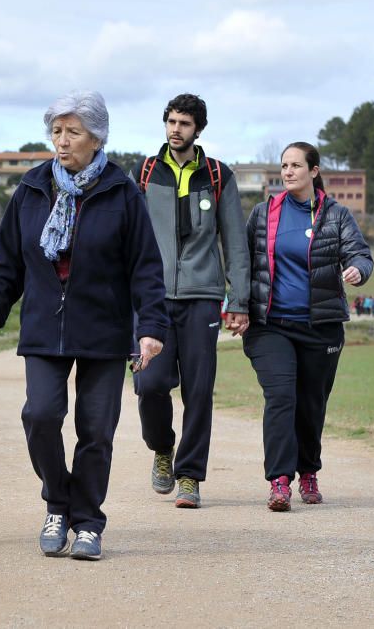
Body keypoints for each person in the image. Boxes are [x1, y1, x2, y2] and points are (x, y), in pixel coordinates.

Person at [0, 91, 168, 560]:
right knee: (39, 416)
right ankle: (57, 504)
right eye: (56, 131)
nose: (62, 141)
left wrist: (152, 327)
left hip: (103, 328)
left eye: (73, 132)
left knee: (96, 430)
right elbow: (9, 264)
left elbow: (145, 266)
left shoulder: (122, 192)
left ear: (97, 137)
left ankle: (88, 522)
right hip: (44, 327)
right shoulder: (31, 188)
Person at [132, 93, 250, 509]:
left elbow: (235, 242)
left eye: (184, 123)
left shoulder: (218, 176)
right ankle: (163, 450)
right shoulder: (145, 172)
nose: (175, 129)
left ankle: (189, 476)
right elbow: (126, 236)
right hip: (153, 299)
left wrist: (239, 297)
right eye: (171, 121)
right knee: (150, 384)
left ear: (198, 129)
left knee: (199, 391)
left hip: (203, 297)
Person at [242, 141, 373, 512]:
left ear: (314, 171)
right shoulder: (264, 213)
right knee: (281, 396)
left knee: (311, 404)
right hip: (271, 326)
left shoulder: (336, 215)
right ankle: (280, 481)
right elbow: (242, 262)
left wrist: (358, 270)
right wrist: (236, 305)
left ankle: (309, 471)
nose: (287, 172)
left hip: (321, 326)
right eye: (284, 166)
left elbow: (359, 253)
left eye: (296, 165)